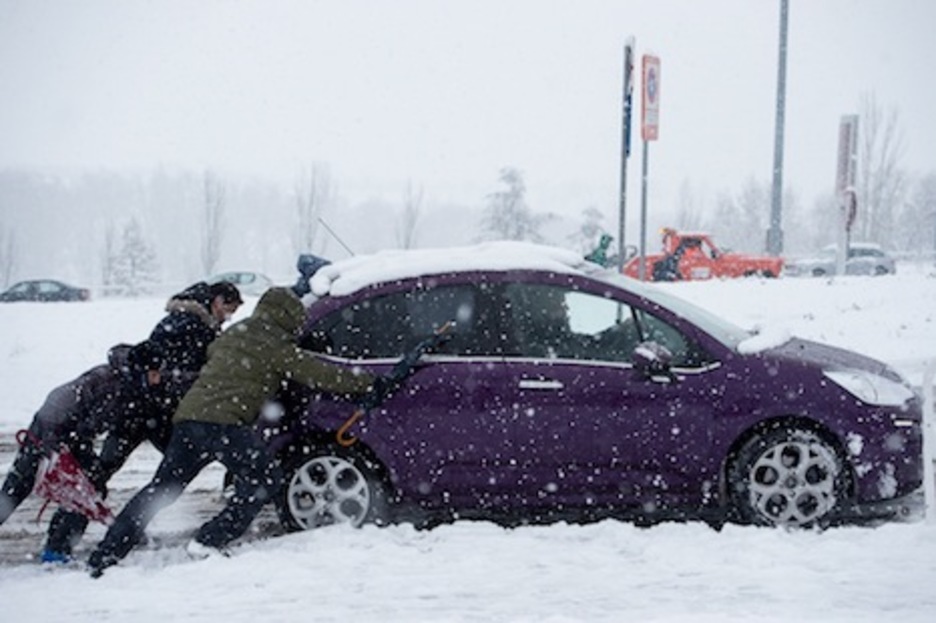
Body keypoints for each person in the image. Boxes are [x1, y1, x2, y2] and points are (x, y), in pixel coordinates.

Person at [87, 287, 386, 577]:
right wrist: (369, 382)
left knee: (161, 490)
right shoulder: (277, 347)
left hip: (189, 420)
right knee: (266, 478)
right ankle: (209, 539)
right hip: (224, 424)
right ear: (288, 316)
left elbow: (215, 353)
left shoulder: (233, 334)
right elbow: (320, 374)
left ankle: (106, 554)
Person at [0, 341, 168, 561]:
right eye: (155, 374)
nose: (158, 380)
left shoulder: (132, 385)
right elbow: (58, 401)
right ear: (142, 370)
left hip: (76, 438)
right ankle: (57, 549)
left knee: (90, 488)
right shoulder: (106, 381)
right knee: (19, 486)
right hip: (49, 433)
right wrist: (51, 447)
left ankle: (58, 547)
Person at [150, 280, 244, 405]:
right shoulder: (196, 328)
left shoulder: (180, 319)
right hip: (171, 394)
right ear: (218, 302)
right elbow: (195, 371)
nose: (227, 318)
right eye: (228, 311)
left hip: (158, 390)